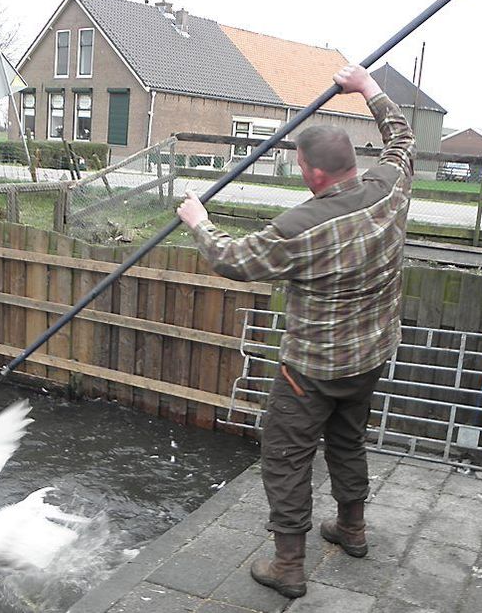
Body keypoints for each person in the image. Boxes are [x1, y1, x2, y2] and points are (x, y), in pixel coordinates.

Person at [176, 63, 415, 598]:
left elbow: (233, 260)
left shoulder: (301, 227)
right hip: (371, 357)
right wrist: (368, 88)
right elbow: (401, 136)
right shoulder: (390, 187)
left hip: (312, 370)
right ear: (354, 163)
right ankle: (351, 528)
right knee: (349, 441)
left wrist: (197, 220)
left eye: (300, 164)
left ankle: (288, 565)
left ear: (313, 174)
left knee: (285, 458)